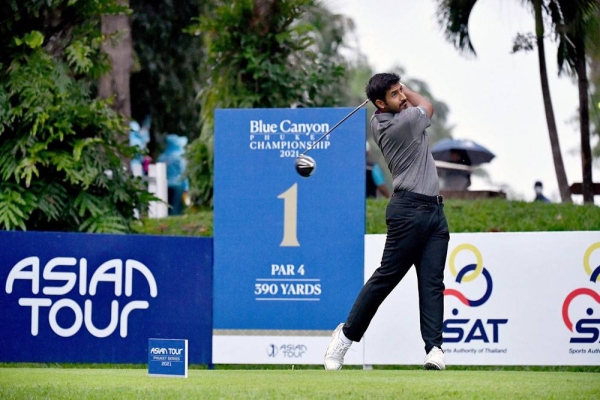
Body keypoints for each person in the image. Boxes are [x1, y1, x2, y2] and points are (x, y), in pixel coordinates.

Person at [324, 73, 449, 371]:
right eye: (395, 94)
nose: (403, 97)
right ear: (380, 103)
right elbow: (428, 106)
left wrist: (397, 91)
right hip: (408, 212)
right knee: (386, 279)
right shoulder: (397, 124)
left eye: (401, 91)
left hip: (434, 213)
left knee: (432, 283)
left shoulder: (390, 115)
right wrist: (408, 90)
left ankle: (434, 349)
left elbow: (416, 105)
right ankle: (344, 337)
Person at [157, 134, 190, 215]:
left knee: (166, 206)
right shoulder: (180, 157)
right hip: (178, 185)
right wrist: (186, 187)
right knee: (176, 207)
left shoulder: (161, 157)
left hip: (164, 185)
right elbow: (184, 172)